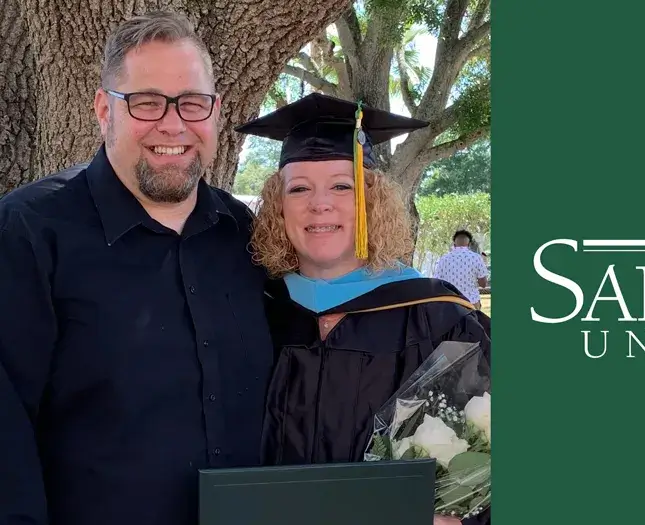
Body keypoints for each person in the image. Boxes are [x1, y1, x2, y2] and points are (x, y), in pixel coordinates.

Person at [0, 11, 273, 525]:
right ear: (105, 110)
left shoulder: (243, 236)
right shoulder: (29, 233)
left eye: (192, 102)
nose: (173, 124)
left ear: (215, 112)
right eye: (147, 102)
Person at [237, 92, 491, 525]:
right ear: (278, 206)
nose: (320, 203)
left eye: (342, 185)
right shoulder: (252, 312)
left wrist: (455, 515)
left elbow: (484, 469)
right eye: (299, 188)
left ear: (372, 203)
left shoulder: (437, 317)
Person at [434, 230, 490, 309]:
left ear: (454, 244)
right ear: (469, 244)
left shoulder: (443, 259)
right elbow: (483, 284)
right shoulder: (476, 258)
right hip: (471, 303)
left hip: (450, 304)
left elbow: (437, 283)